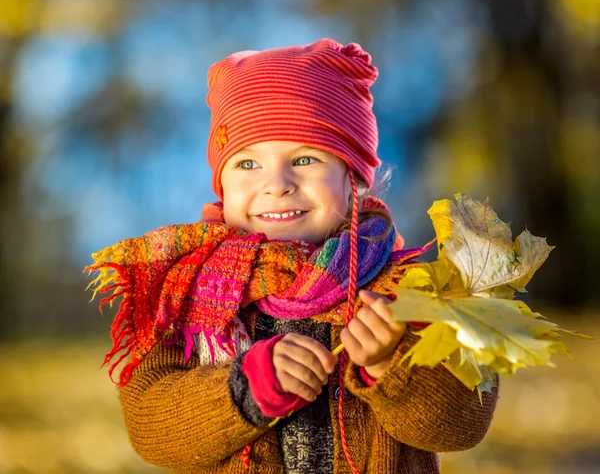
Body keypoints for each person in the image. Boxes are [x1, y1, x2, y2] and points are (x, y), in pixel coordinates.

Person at [86, 38, 498, 474]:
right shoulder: (188, 291)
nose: (276, 183)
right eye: (248, 164)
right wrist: (243, 389)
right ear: (222, 184)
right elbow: (151, 426)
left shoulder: (403, 286)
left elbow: (462, 423)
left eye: (304, 159)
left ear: (353, 178)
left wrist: (388, 364)